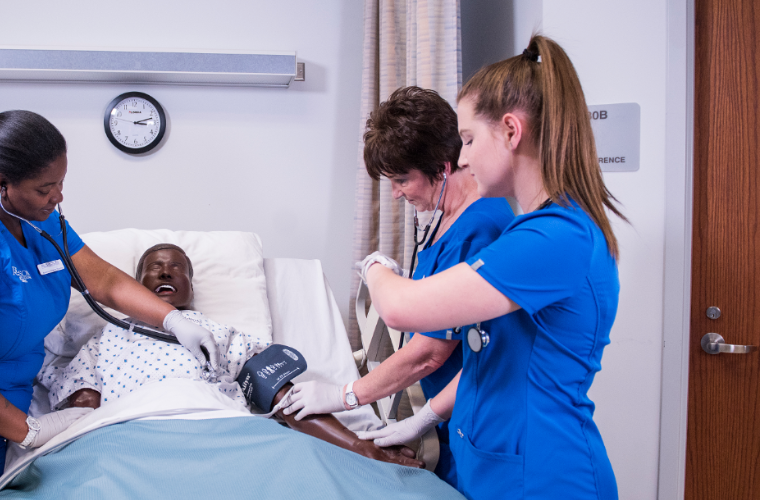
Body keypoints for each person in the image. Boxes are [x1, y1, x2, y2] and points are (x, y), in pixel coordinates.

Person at [0, 106, 220, 496]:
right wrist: (29, 429)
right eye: (45, 188)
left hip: (1, 409)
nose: (57, 197)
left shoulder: (36, 215)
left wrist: (173, 321)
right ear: (2, 184)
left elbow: (105, 280)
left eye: (60, 182)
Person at [329, 36, 624, 499]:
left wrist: (373, 266)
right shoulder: (533, 232)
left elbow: (403, 311)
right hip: (490, 464)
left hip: (543, 478)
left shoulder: (557, 238)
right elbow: (488, 356)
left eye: (468, 139)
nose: (461, 157)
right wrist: (427, 417)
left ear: (511, 130)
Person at [283, 86, 517, 487]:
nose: (396, 193)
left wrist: (345, 396)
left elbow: (431, 352)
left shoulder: (479, 226)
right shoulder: (447, 221)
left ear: (443, 167)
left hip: (480, 419)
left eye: (402, 179)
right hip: (450, 413)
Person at [40, 244, 422, 468]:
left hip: (219, 431)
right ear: (134, 286)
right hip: (132, 437)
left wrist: (359, 445)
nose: (163, 271)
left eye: (176, 267)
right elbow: (84, 408)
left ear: (191, 286)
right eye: (152, 268)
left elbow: (281, 395)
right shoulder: (107, 335)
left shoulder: (220, 334)